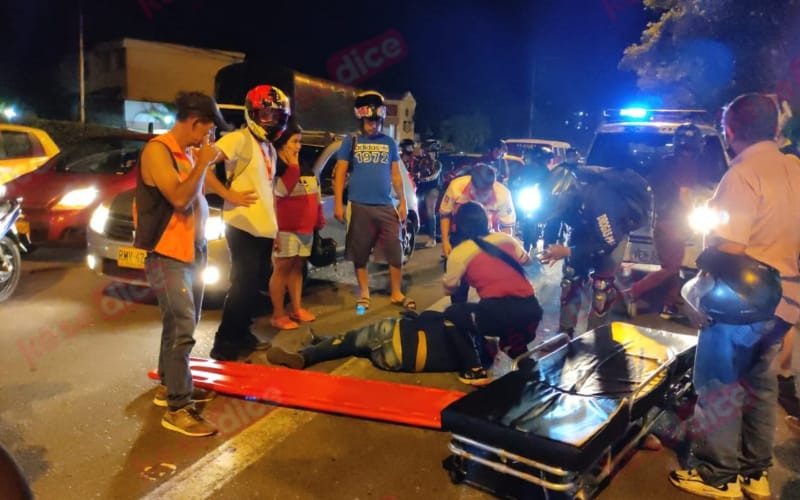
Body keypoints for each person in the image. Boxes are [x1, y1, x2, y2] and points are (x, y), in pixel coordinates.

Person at [669, 93, 800, 499]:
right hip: (785, 301)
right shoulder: (795, 168)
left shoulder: (742, 175)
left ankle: (716, 474)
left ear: (729, 131)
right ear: (776, 129)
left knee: (719, 383)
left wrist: (699, 284)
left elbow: (730, 247)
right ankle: (755, 474)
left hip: (741, 302)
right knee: (761, 385)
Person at [135, 91, 229, 437]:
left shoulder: (187, 153)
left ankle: (168, 385)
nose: (207, 137)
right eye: (206, 130)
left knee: (179, 323)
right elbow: (177, 196)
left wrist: (203, 160)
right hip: (167, 255)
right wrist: (203, 162)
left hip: (193, 250)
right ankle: (178, 406)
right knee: (182, 327)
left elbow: (197, 193)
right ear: (194, 122)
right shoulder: (157, 151)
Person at [210, 85, 290, 361]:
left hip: (263, 227)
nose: (272, 121)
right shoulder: (238, 139)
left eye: (277, 115)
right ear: (253, 113)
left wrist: (275, 227)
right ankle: (224, 343)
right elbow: (202, 163)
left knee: (254, 284)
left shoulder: (269, 148)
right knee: (242, 284)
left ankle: (242, 332)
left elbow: (268, 190)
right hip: (242, 225)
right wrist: (226, 193)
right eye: (266, 114)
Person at [540, 166, 651, 337]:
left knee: (602, 288)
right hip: (583, 228)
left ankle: (594, 335)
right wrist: (549, 247)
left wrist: (568, 251)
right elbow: (553, 219)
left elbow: (606, 243)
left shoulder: (600, 200)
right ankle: (564, 332)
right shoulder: (564, 195)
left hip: (612, 234)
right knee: (571, 280)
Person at [442, 201, 542, 386]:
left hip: (498, 314)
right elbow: (527, 261)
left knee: (451, 314)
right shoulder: (506, 238)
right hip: (532, 312)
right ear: (485, 220)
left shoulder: (460, 252)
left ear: (459, 225)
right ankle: (526, 364)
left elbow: (449, 288)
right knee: (508, 333)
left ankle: (473, 369)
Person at [333, 90, 414, 311]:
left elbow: (396, 175)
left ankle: (396, 293)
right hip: (359, 205)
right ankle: (364, 293)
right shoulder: (351, 141)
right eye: (370, 120)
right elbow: (340, 173)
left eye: (377, 121)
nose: (374, 125)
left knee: (394, 250)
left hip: (386, 205)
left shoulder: (389, 142)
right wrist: (339, 203)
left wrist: (403, 201)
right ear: (360, 118)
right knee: (360, 253)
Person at [624, 123, 706, 320]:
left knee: (675, 265)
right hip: (673, 223)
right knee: (671, 267)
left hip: (661, 220)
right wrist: (692, 215)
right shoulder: (687, 165)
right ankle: (633, 292)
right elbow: (684, 194)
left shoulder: (666, 161)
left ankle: (670, 304)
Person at [266, 311, 462, 374]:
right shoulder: (471, 359)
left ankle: (304, 356)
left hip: (392, 339)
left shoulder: (460, 322)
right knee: (359, 346)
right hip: (395, 361)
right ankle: (323, 342)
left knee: (355, 338)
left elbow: (427, 319)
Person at [269, 120, 324, 330]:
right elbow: (281, 191)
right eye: (294, 141)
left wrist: (318, 218)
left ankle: (296, 308)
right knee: (282, 269)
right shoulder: (280, 169)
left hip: (305, 228)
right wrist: (293, 166)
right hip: (286, 229)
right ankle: (278, 314)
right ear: (282, 142)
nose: (298, 146)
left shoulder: (304, 167)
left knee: (297, 268)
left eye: (299, 141)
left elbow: (314, 193)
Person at [439, 163, 516, 304]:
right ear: (471, 182)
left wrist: (502, 253)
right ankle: (459, 314)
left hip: (489, 240)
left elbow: (507, 228)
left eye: (485, 192)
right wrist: (445, 241)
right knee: (459, 286)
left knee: (491, 287)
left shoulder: (503, 194)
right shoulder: (457, 187)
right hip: (460, 238)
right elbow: (445, 215)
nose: (481, 196)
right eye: (477, 191)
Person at [413, 139, 443, 247]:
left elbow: (435, 175)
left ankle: (432, 238)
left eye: (430, 152)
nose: (428, 154)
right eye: (427, 152)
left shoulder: (438, 163)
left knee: (430, 211)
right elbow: (415, 171)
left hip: (433, 188)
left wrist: (426, 179)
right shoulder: (422, 162)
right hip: (421, 188)